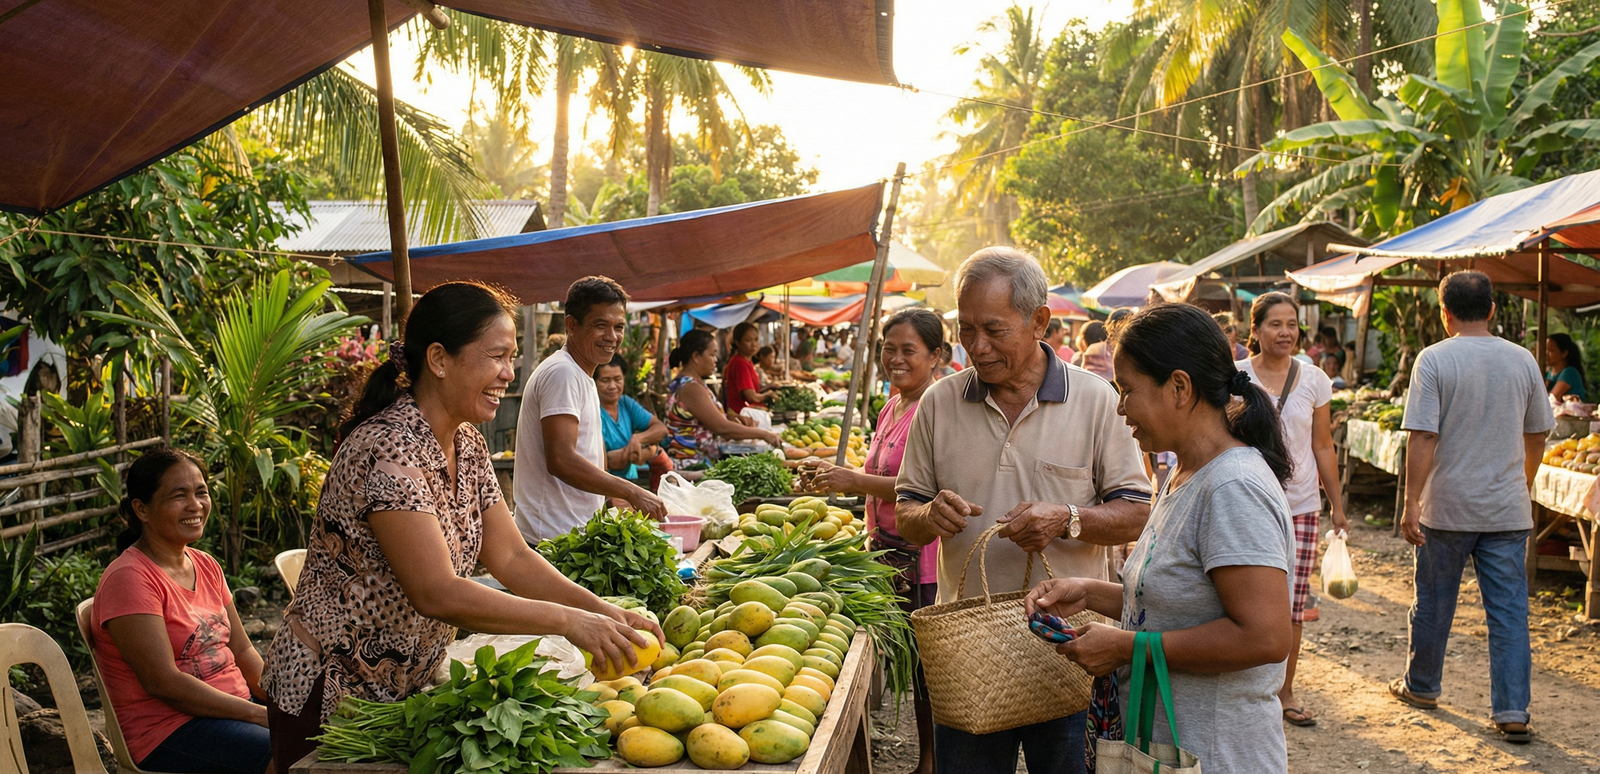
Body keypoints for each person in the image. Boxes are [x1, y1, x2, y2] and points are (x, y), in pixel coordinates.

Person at [262, 282, 664, 767]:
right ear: (439, 359)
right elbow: (437, 592)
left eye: (512, 358)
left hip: (406, 684)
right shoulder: (386, 449)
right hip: (333, 687)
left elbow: (512, 557)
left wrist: (603, 611)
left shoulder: (467, 443)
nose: (508, 374)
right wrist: (568, 621)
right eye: (497, 357)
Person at [895, 247, 1152, 774]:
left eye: (994, 330)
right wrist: (928, 516)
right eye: (966, 330)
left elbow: (1137, 513)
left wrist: (1069, 518)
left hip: (1070, 649)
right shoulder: (938, 404)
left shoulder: (1097, 401)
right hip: (968, 654)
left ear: (1039, 322)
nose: (977, 347)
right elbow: (907, 512)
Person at [1026, 302, 1296, 774]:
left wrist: (1125, 647)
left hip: (1218, 754)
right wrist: (1088, 592)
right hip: (1170, 750)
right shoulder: (1183, 474)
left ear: (1179, 388)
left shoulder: (1232, 487)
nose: (1120, 407)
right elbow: (1179, 601)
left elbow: (1265, 637)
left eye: (1127, 390)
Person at [1393, 271, 1551, 744]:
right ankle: (1512, 711)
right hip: (1506, 510)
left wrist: (1411, 501)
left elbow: (1423, 435)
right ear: (1492, 310)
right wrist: (1522, 483)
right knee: (1509, 613)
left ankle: (1422, 686)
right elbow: (1537, 434)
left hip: (1447, 508)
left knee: (1433, 604)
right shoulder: (1522, 359)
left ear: (1445, 313)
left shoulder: (1434, 359)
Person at [807, 308, 946, 774]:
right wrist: (840, 475)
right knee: (910, 661)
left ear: (936, 355)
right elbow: (880, 472)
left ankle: (930, 762)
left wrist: (852, 480)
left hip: (920, 557)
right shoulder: (893, 404)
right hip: (885, 548)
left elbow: (923, 488)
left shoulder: (934, 408)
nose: (896, 359)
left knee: (927, 669)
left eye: (909, 350)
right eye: (889, 349)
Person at [92, 448, 270, 774]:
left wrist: (280, 701)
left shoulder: (206, 565)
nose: (195, 505)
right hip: (170, 730)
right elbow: (163, 682)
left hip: (234, 710)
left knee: (321, 729)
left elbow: (243, 650)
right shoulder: (129, 578)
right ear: (141, 509)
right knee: (291, 750)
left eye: (201, 492)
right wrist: (259, 715)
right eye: (179, 495)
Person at [1238, 292, 1350, 727]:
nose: (1285, 333)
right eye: (1275, 324)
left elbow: (1322, 445)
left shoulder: (1316, 379)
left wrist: (1336, 506)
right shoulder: (1236, 376)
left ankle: (1284, 691)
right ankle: (1243, 686)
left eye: (1291, 324)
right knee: (1242, 599)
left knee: (1292, 605)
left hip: (1300, 507)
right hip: (1247, 501)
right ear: (1256, 330)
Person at [514, 277, 665, 542]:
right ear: (572, 325)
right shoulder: (563, 373)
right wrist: (631, 491)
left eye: (619, 327)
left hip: (575, 534)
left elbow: (592, 451)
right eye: (600, 325)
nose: (612, 337)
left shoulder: (582, 375)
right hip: (551, 539)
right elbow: (561, 459)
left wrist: (610, 502)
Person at [664, 329, 783, 467]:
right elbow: (722, 428)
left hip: (700, 462)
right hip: (692, 465)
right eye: (712, 355)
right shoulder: (691, 388)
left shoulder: (690, 383)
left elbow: (704, 419)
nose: (716, 360)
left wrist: (731, 418)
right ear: (696, 356)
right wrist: (763, 434)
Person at [594, 355, 669, 488]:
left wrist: (638, 439)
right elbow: (605, 461)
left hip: (631, 481)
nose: (612, 386)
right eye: (605, 380)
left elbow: (661, 429)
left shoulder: (626, 403)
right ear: (594, 382)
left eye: (617, 379)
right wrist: (645, 450)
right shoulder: (591, 410)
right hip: (603, 485)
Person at [724, 322, 774, 414]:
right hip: (741, 414)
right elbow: (751, 397)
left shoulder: (747, 361)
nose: (754, 344)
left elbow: (752, 389)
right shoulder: (740, 363)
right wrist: (768, 396)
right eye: (748, 340)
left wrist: (770, 387)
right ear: (738, 343)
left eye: (756, 339)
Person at [1544, 332, 1586, 401]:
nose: (1546, 353)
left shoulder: (1569, 372)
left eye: (1551, 350)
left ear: (1564, 353)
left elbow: (1552, 398)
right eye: (1545, 349)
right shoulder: (1549, 373)